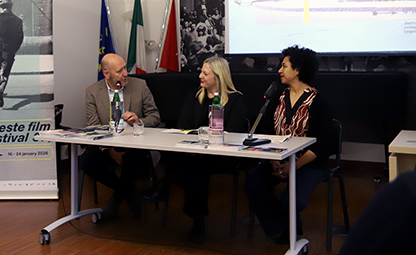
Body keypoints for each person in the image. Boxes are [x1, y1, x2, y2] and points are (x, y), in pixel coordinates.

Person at [143, 57, 246, 242]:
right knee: (190, 163)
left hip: (220, 154)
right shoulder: (194, 96)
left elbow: (235, 132)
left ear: (218, 77)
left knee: (194, 165)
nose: (200, 76)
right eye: (201, 72)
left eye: (205, 73)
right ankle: (197, 219)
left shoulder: (234, 99)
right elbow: (183, 126)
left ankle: (165, 186)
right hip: (193, 151)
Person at [243, 45, 333, 244]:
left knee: (293, 200)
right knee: (253, 185)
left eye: (284, 66)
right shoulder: (277, 98)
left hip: (308, 163)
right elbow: (266, 132)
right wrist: (273, 160)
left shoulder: (319, 101)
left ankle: (289, 228)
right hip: (278, 157)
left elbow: (325, 143)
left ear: (297, 70)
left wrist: (294, 165)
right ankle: (285, 228)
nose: (279, 70)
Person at [80, 53, 161, 220]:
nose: (125, 73)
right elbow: (94, 126)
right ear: (106, 74)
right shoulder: (92, 92)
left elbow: (155, 117)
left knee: (134, 158)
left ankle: (116, 201)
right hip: (108, 144)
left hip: (135, 143)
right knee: (86, 160)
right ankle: (129, 192)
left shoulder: (140, 86)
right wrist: (110, 151)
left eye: (125, 68)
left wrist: (139, 121)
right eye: (120, 71)